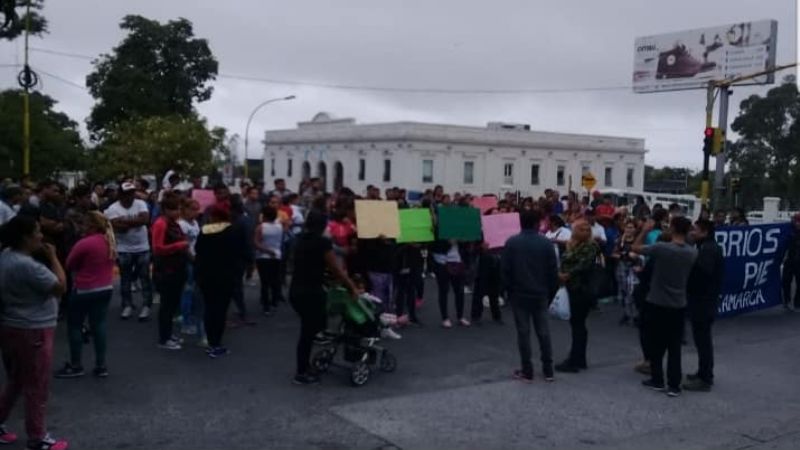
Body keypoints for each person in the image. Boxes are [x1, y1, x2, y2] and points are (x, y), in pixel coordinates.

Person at [0, 215, 69, 450]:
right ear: (25, 237)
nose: (41, 236)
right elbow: (60, 286)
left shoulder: (5, 256)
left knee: (17, 380)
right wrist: (53, 257)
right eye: (37, 232)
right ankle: (37, 437)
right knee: (37, 386)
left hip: (13, 325)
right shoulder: (27, 265)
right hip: (33, 328)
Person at [633, 216, 698, 397]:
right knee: (674, 346)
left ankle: (657, 379)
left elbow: (635, 248)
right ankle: (674, 385)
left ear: (673, 228)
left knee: (656, 343)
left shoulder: (661, 248)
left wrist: (645, 230)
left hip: (657, 301)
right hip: (678, 303)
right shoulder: (692, 252)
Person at [290, 211, 357, 385]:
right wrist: (351, 287)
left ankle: (305, 366)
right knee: (308, 332)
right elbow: (336, 269)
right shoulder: (322, 243)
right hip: (310, 292)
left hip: (297, 290)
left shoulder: (300, 239)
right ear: (322, 226)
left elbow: (308, 265)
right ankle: (301, 372)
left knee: (311, 329)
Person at [55, 212, 116, 379]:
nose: (81, 227)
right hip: (105, 287)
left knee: (74, 325)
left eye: (84, 223)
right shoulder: (109, 241)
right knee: (99, 325)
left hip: (84, 288)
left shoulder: (84, 243)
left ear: (92, 226)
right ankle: (101, 364)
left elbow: (69, 263)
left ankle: (76, 365)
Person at [501, 210, 559, 382]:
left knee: (523, 333)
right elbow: (553, 272)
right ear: (537, 224)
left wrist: (507, 291)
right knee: (544, 332)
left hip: (519, 294)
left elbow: (505, 271)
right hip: (541, 293)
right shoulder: (546, 243)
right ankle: (548, 370)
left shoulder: (512, 243)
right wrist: (550, 293)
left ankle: (527, 370)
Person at [683, 219, 724, 392]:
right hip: (703, 301)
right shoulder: (706, 247)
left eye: (695, 230)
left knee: (703, 340)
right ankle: (702, 372)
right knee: (701, 340)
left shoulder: (708, 250)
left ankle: (705, 378)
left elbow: (702, 275)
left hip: (703, 302)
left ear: (705, 232)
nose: (692, 233)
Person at [555, 219, 601, 374]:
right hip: (571, 286)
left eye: (587, 229)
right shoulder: (573, 244)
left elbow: (583, 264)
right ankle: (579, 358)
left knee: (578, 324)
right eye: (581, 229)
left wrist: (567, 274)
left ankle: (575, 359)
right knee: (577, 324)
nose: (585, 231)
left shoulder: (590, 246)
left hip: (581, 288)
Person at [104, 182, 154, 321]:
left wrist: (124, 220)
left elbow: (145, 220)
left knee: (145, 277)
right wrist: (134, 221)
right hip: (123, 248)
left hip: (142, 247)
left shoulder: (140, 204)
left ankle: (146, 305)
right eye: (127, 193)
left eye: (132, 192)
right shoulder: (113, 208)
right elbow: (116, 226)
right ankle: (127, 305)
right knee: (125, 278)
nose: (130, 196)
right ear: (121, 194)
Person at [195, 205, 239, 358]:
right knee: (220, 310)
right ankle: (216, 343)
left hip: (206, 276)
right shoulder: (231, 231)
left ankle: (210, 341)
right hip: (225, 277)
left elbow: (198, 252)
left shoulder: (204, 231)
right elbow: (236, 255)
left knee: (209, 308)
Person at [151, 193, 190, 350]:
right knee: (166, 305)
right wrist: (178, 246)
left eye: (178, 209)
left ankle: (168, 334)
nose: (177, 212)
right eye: (174, 209)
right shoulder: (160, 224)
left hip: (178, 267)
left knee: (173, 304)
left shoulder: (174, 223)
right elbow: (157, 248)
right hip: (167, 269)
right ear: (165, 209)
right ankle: (164, 338)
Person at [178, 199, 204, 342]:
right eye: (193, 209)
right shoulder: (182, 225)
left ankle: (190, 317)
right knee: (187, 291)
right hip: (188, 261)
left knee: (193, 291)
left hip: (196, 259)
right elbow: (184, 245)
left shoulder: (194, 223)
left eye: (197, 209)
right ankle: (185, 321)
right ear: (185, 209)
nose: (196, 212)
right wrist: (192, 259)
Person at [254, 206, 284, 316]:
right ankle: (274, 302)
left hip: (263, 257)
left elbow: (256, 243)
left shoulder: (261, 227)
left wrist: (266, 250)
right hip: (277, 256)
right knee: (274, 280)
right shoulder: (280, 227)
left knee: (265, 282)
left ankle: (266, 305)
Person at [612, 220, 642, 325]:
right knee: (624, 292)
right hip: (621, 268)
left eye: (631, 227)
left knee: (633, 293)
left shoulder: (638, 241)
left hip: (634, 270)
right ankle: (626, 314)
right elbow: (614, 254)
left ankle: (635, 315)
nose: (629, 229)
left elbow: (641, 254)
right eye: (627, 227)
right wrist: (624, 255)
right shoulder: (620, 240)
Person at [782, 213, 800, 310]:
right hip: (789, 260)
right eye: (796, 221)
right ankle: (787, 300)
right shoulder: (788, 231)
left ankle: (797, 302)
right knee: (786, 281)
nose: (798, 224)